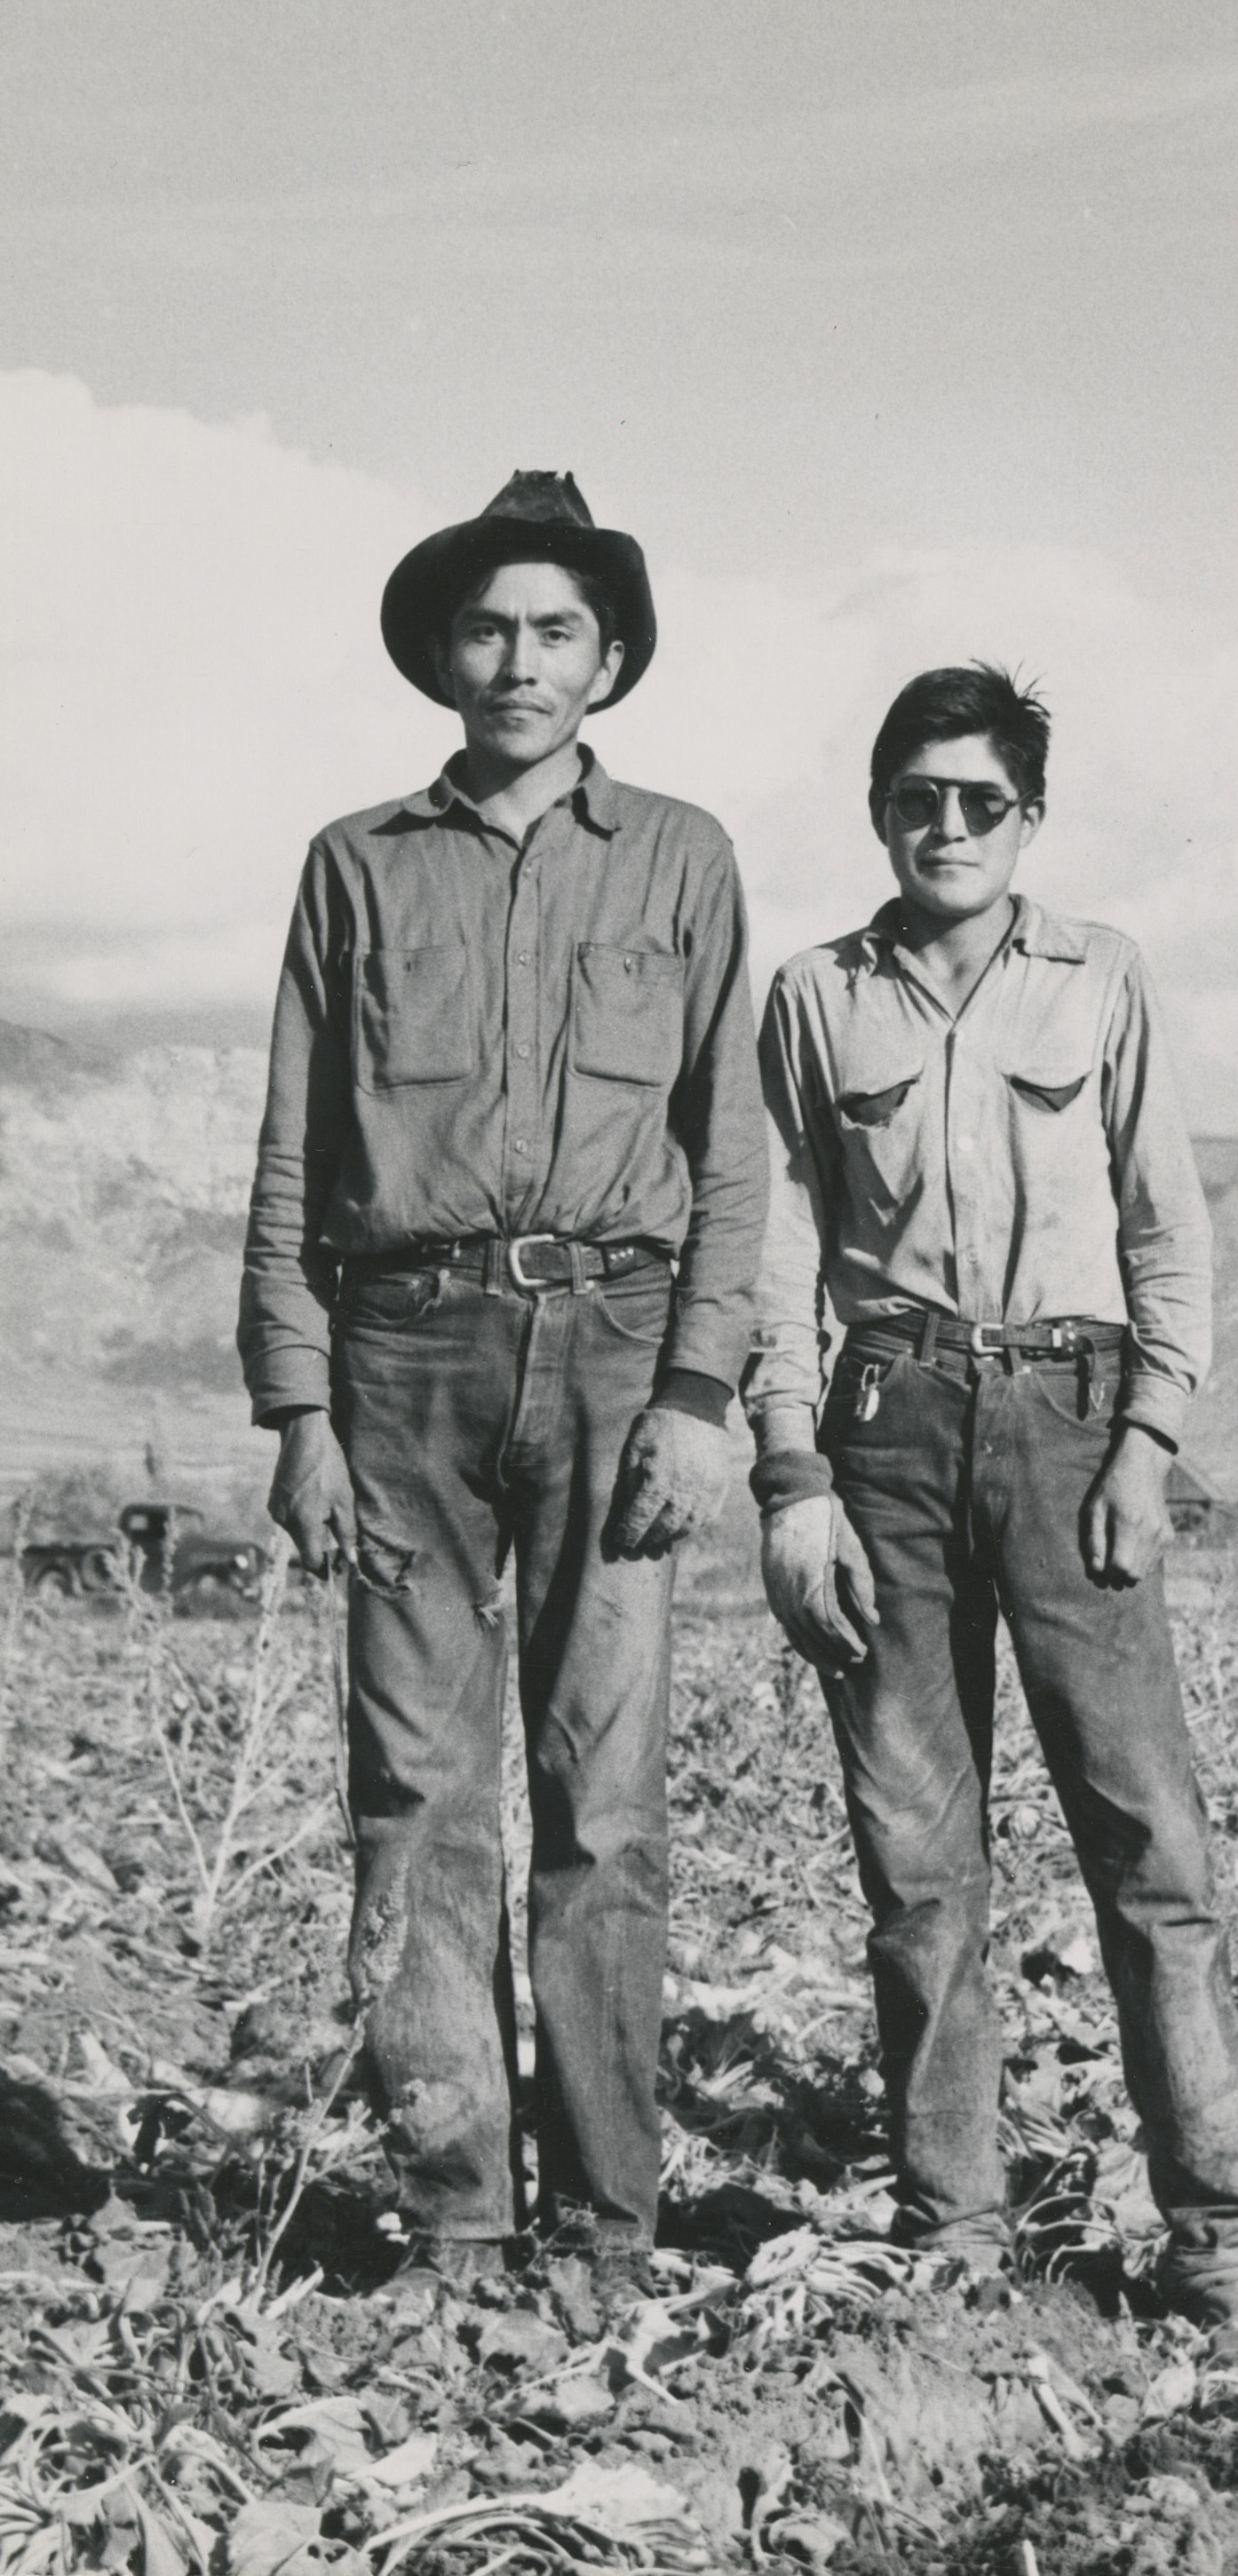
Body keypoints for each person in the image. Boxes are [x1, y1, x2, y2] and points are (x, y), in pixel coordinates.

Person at [238, 472, 761, 2297]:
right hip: (403, 1357)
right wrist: (297, 1409)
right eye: (488, 629)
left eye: (554, 631)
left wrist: (703, 1391)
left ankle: (609, 2223)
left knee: (600, 1803)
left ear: (604, 658)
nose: (518, 662)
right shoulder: (355, 861)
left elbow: (734, 1144)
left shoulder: (683, 856)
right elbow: (296, 1150)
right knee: (417, 1790)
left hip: (620, 1352)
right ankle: (456, 2208)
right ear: (442, 656)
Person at [742, 664, 1238, 2374]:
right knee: (918, 1860)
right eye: (920, 796)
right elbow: (777, 1245)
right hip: (886, 1423)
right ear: (881, 809)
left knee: (1148, 1844)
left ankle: (1220, 2240)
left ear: (1029, 818)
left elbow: (1165, 1224)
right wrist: (793, 1476)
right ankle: (954, 2230)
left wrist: (1148, 1438)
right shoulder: (815, 997)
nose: (950, 826)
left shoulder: (1103, 976)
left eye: (984, 800)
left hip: (1069, 1419)